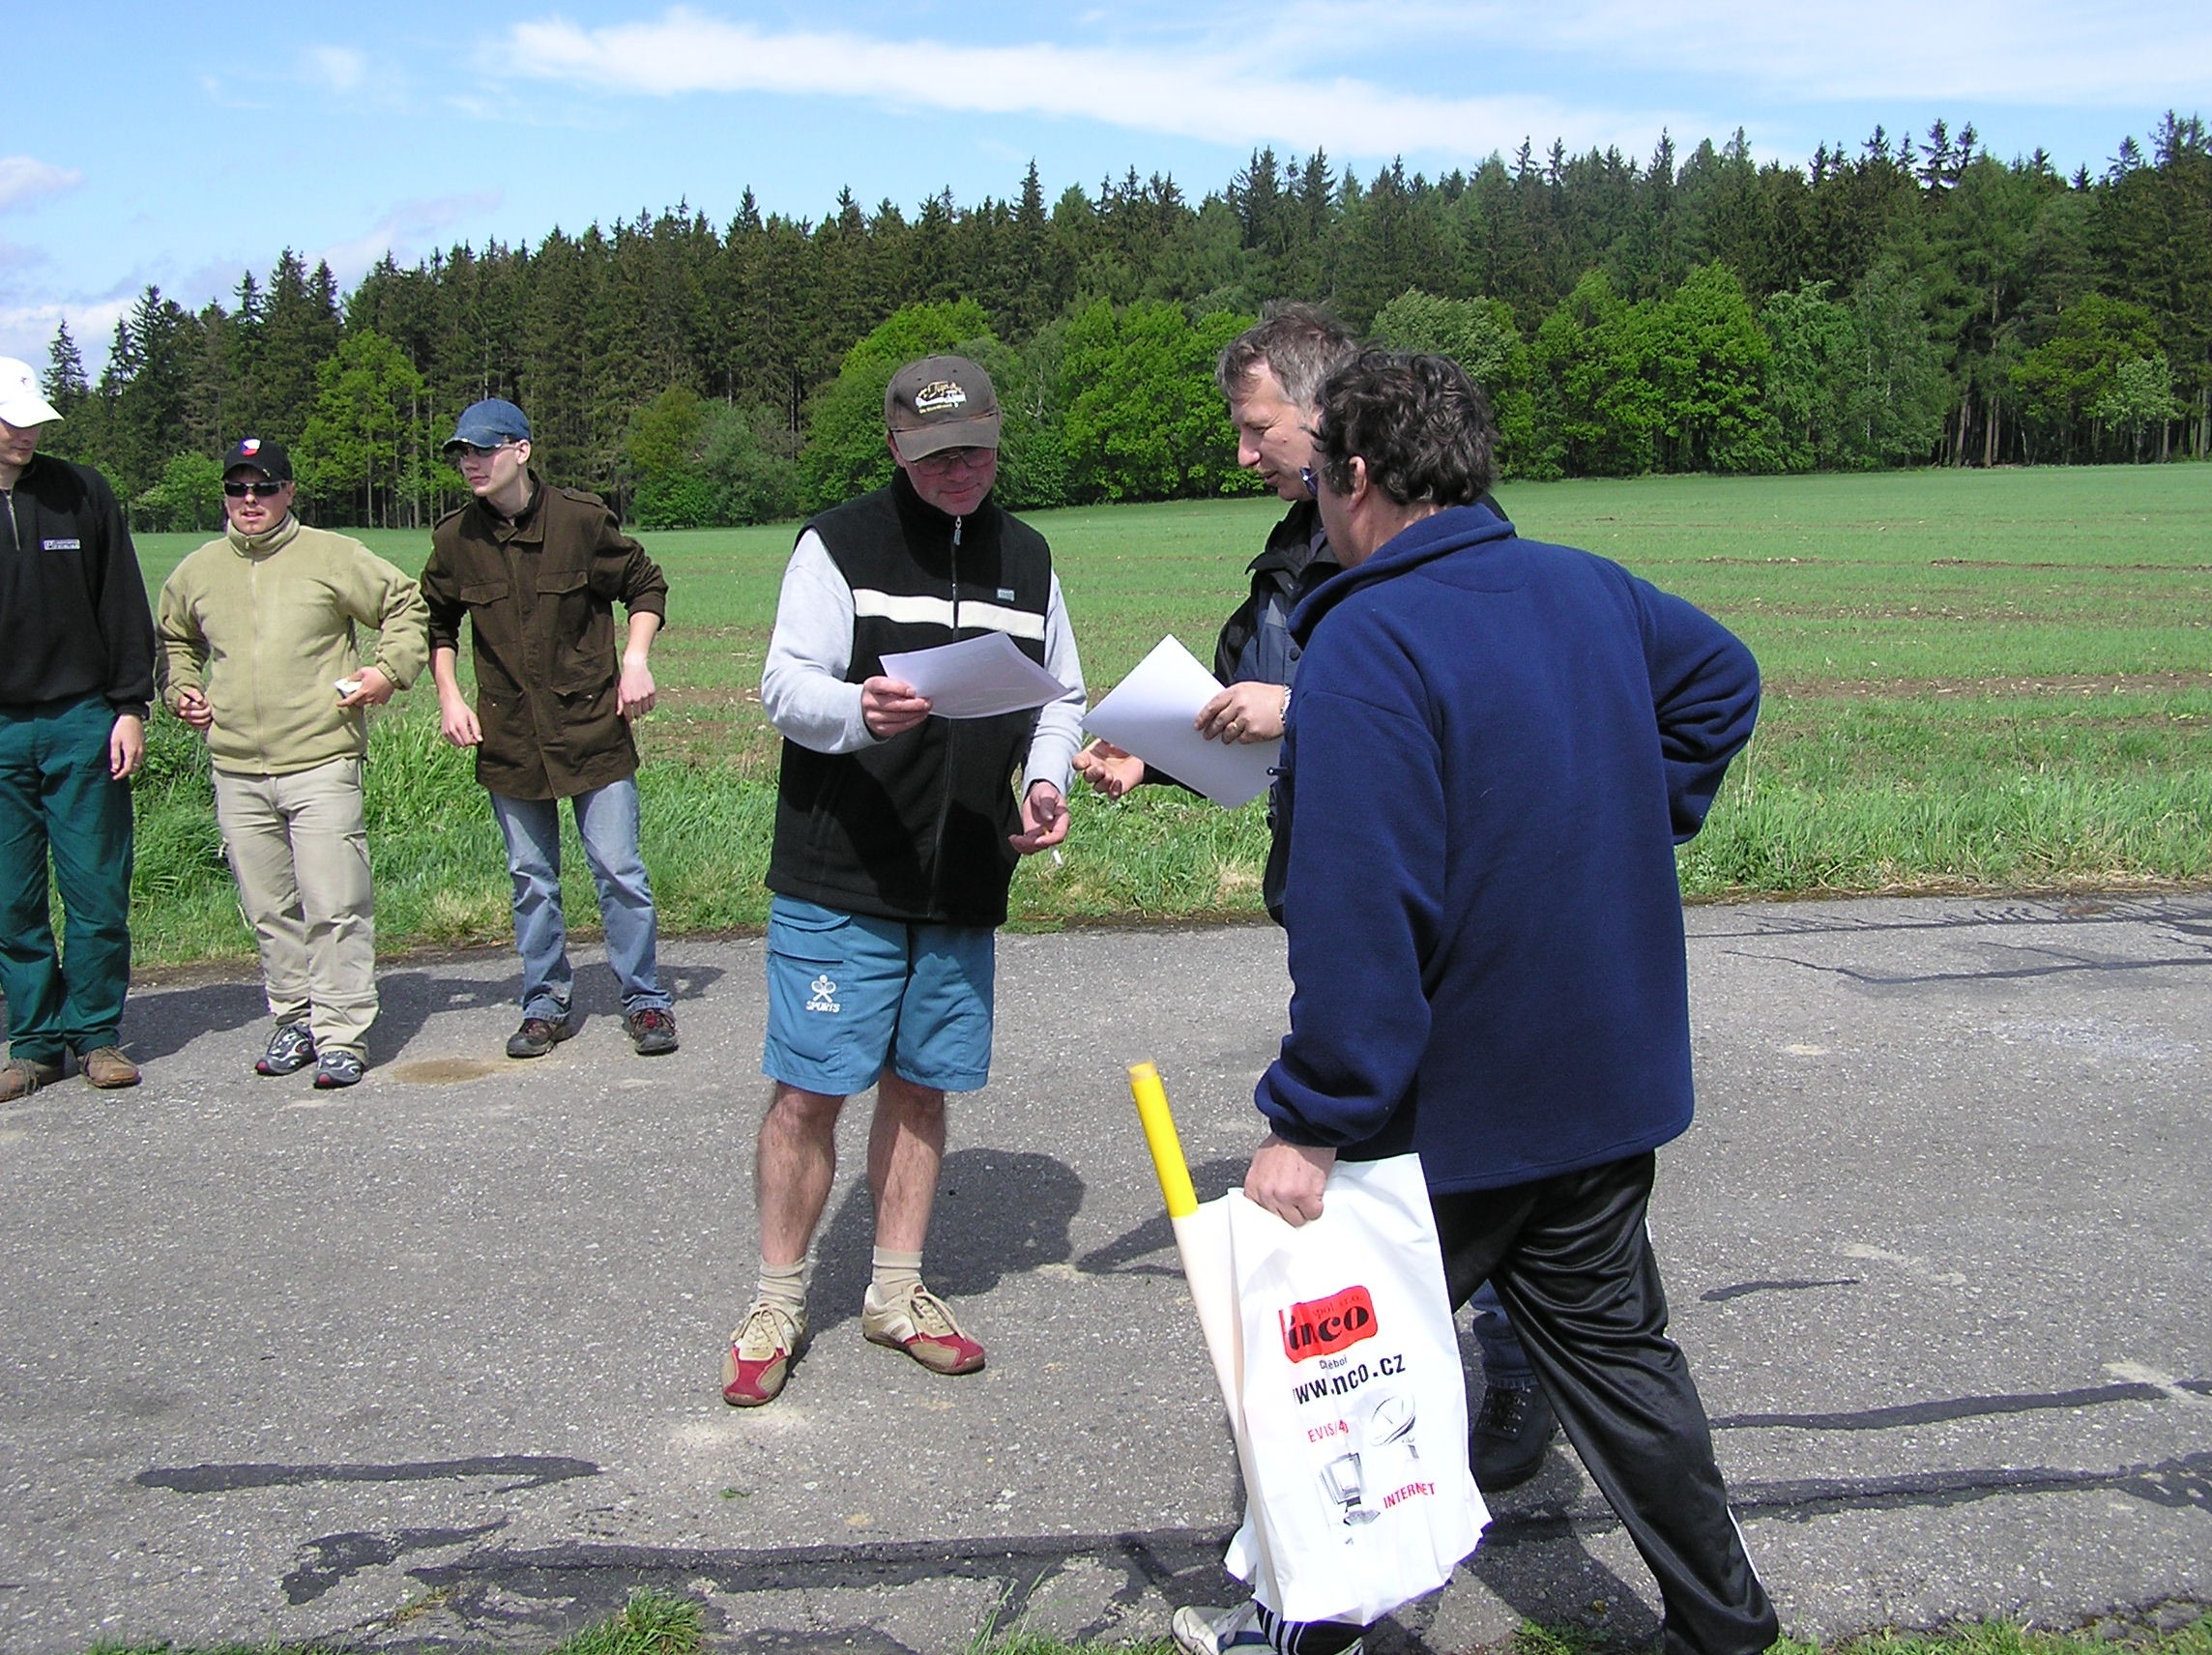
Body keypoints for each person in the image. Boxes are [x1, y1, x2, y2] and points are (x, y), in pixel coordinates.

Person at [1177, 352, 1772, 1655]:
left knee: (1330, 1372)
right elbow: (1723, 681)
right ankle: (1728, 1630)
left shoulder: (1365, 639)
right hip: (1603, 1081)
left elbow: (1360, 909)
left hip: (1452, 1115)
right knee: (1619, 1362)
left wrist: (1311, 1119)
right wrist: (1626, 816)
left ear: (1357, 476)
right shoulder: (1588, 586)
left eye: (1319, 481)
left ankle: (1302, 1623)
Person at [1076, 306, 1552, 1490]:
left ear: (1324, 412)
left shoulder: (1426, 541)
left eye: (1257, 427)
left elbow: (1447, 693)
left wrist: (1297, 709)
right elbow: (1242, 703)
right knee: (1397, 1150)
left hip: (1427, 896)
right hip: (1332, 884)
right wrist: (1156, 754)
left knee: (1468, 1142)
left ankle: (1513, 1367)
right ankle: (1404, 1373)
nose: (1241, 452)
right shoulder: (1295, 545)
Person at [723, 355, 1085, 1407]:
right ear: (893, 448)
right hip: (843, 869)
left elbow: (1060, 696)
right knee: (809, 1089)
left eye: (973, 449)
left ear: (997, 436)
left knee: (923, 1082)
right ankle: (777, 1299)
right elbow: (785, 684)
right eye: (933, 456)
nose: (957, 470)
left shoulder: (1029, 556)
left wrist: (1047, 778)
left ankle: (895, 1291)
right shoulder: (840, 544)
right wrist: (856, 711)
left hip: (965, 871)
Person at [158, 437, 428, 1089]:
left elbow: (406, 605)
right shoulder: (197, 570)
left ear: (289, 492)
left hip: (321, 759)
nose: (250, 500)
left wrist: (387, 672)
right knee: (269, 909)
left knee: (336, 903)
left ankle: (341, 1033)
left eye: (264, 487)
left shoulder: (332, 556)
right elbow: (174, 640)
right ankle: (295, 1019)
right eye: (238, 488)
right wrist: (181, 689)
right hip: (236, 769)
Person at [419, 398, 678, 1060]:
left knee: (618, 869)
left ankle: (644, 998)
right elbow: (438, 621)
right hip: (509, 735)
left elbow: (645, 586)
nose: (471, 463)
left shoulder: (579, 521)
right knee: (531, 877)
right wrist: (449, 695)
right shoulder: (455, 540)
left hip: (592, 725)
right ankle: (544, 1001)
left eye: (483, 449)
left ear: (522, 450)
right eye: (462, 453)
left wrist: (635, 660)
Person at [0, 357, 156, 1102]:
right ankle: (33, 1044)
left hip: (82, 718)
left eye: (32, 421)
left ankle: (95, 1033)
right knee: (11, 898)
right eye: (11, 422)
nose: (25, 434)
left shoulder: (81, 491)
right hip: (1, 729)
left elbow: (122, 601)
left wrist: (130, 706)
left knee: (96, 889)